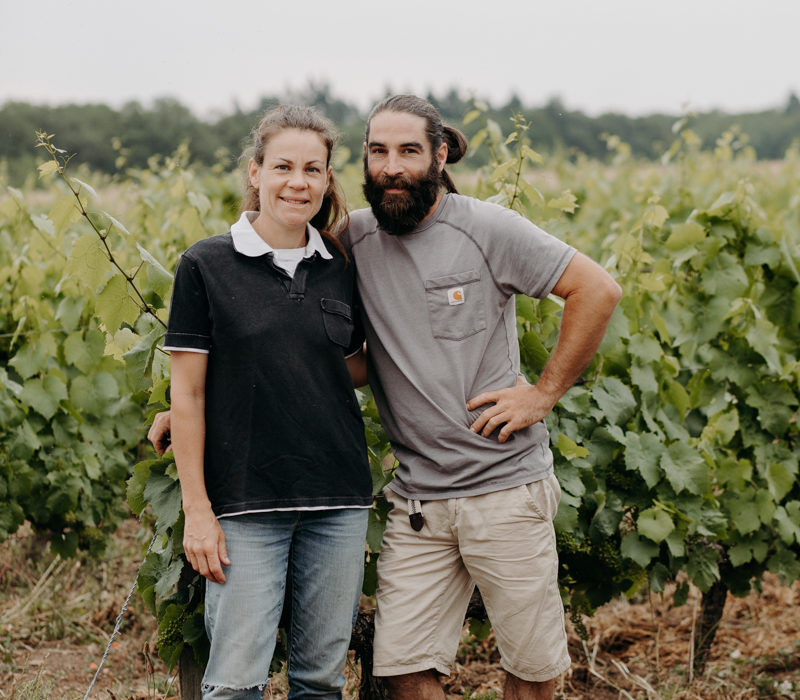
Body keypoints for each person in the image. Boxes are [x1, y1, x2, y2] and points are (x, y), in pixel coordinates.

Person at [153, 95, 621, 700]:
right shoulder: (352, 243)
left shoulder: (476, 231)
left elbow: (597, 289)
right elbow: (301, 349)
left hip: (501, 489)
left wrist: (542, 394)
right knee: (401, 672)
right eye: (378, 152)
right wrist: (200, 397)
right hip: (418, 499)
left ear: (440, 154)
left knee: (530, 671)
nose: (392, 166)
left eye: (408, 151)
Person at [159, 104, 372, 700]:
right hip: (246, 503)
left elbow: (348, 366)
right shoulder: (206, 265)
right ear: (255, 172)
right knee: (233, 684)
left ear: (328, 180)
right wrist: (199, 511)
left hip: (338, 499)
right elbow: (190, 389)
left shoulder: (340, 266)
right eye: (282, 166)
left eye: (313, 169)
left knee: (320, 681)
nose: (297, 182)